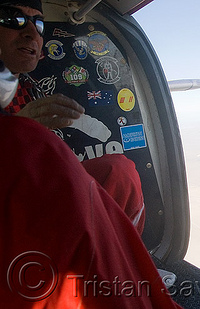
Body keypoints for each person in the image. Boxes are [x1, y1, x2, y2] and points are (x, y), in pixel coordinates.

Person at [0, 0, 145, 234]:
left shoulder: (28, 88)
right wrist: (16, 134)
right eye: (12, 18)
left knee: (119, 172)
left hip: (34, 192)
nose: (30, 33)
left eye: (38, 24)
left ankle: (121, 260)